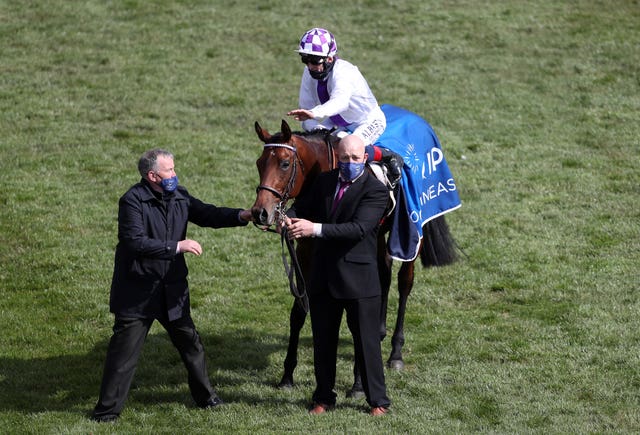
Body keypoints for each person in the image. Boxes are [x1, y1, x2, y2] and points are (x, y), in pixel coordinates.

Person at [91, 149, 252, 422]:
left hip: (172, 291)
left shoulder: (180, 196)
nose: (174, 175)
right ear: (153, 176)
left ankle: (206, 398)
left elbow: (208, 214)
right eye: (169, 171)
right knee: (124, 355)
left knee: (192, 345)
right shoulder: (132, 201)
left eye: (174, 169)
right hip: (137, 294)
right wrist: (177, 246)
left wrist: (242, 215)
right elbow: (135, 242)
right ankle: (106, 413)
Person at [283, 137, 391, 416]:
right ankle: (323, 397)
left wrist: (313, 229)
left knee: (367, 344)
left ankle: (377, 401)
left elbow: (357, 229)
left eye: (355, 158)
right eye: (344, 158)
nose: (349, 163)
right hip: (323, 278)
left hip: (360, 282)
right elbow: (302, 207)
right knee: (323, 342)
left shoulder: (376, 191)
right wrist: (289, 217)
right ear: (337, 157)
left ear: (365, 158)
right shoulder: (325, 182)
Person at [287, 27, 403, 188]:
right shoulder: (308, 72)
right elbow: (306, 108)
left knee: (348, 149)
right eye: (305, 60)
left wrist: (314, 113)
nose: (310, 66)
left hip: (367, 121)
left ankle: (386, 156)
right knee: (314, 138)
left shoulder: (344, 72)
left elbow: (340, 102)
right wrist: (314, 125)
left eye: (314, 60)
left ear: (329, 58)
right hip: (338, 121)